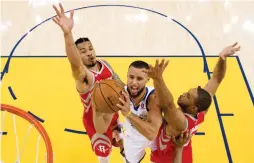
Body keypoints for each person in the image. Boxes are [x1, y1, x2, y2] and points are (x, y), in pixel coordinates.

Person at [118, 43, 240, 163]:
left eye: (187, 96)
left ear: (192, 107)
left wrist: (158, 79)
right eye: (187, 92)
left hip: (168, 158)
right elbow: (216, 79)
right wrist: (222, 58)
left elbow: (168, 105)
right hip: (184, 151)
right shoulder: (201, 110)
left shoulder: (180, 122)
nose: (182, 94)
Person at [52, 3, 124, 163]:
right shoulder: (84, 76)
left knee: (127, 149)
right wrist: (67, 34)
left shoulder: (105, 64)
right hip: (95, 121)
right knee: (104, 156)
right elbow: (75, 63)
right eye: (83, 51)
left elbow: (119, 83)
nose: (90, 53)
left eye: (91, 48)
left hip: (113, 115)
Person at [115, 60, 162, 163]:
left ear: (147, 79)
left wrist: (128, 114)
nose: (134, 82)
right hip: (133, 136)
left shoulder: (153, 97)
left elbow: (152, 134)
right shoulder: (120, 93)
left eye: (139, 78)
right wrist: (118, 136)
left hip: (155, 137)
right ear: (127, 76)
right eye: (131, 77)